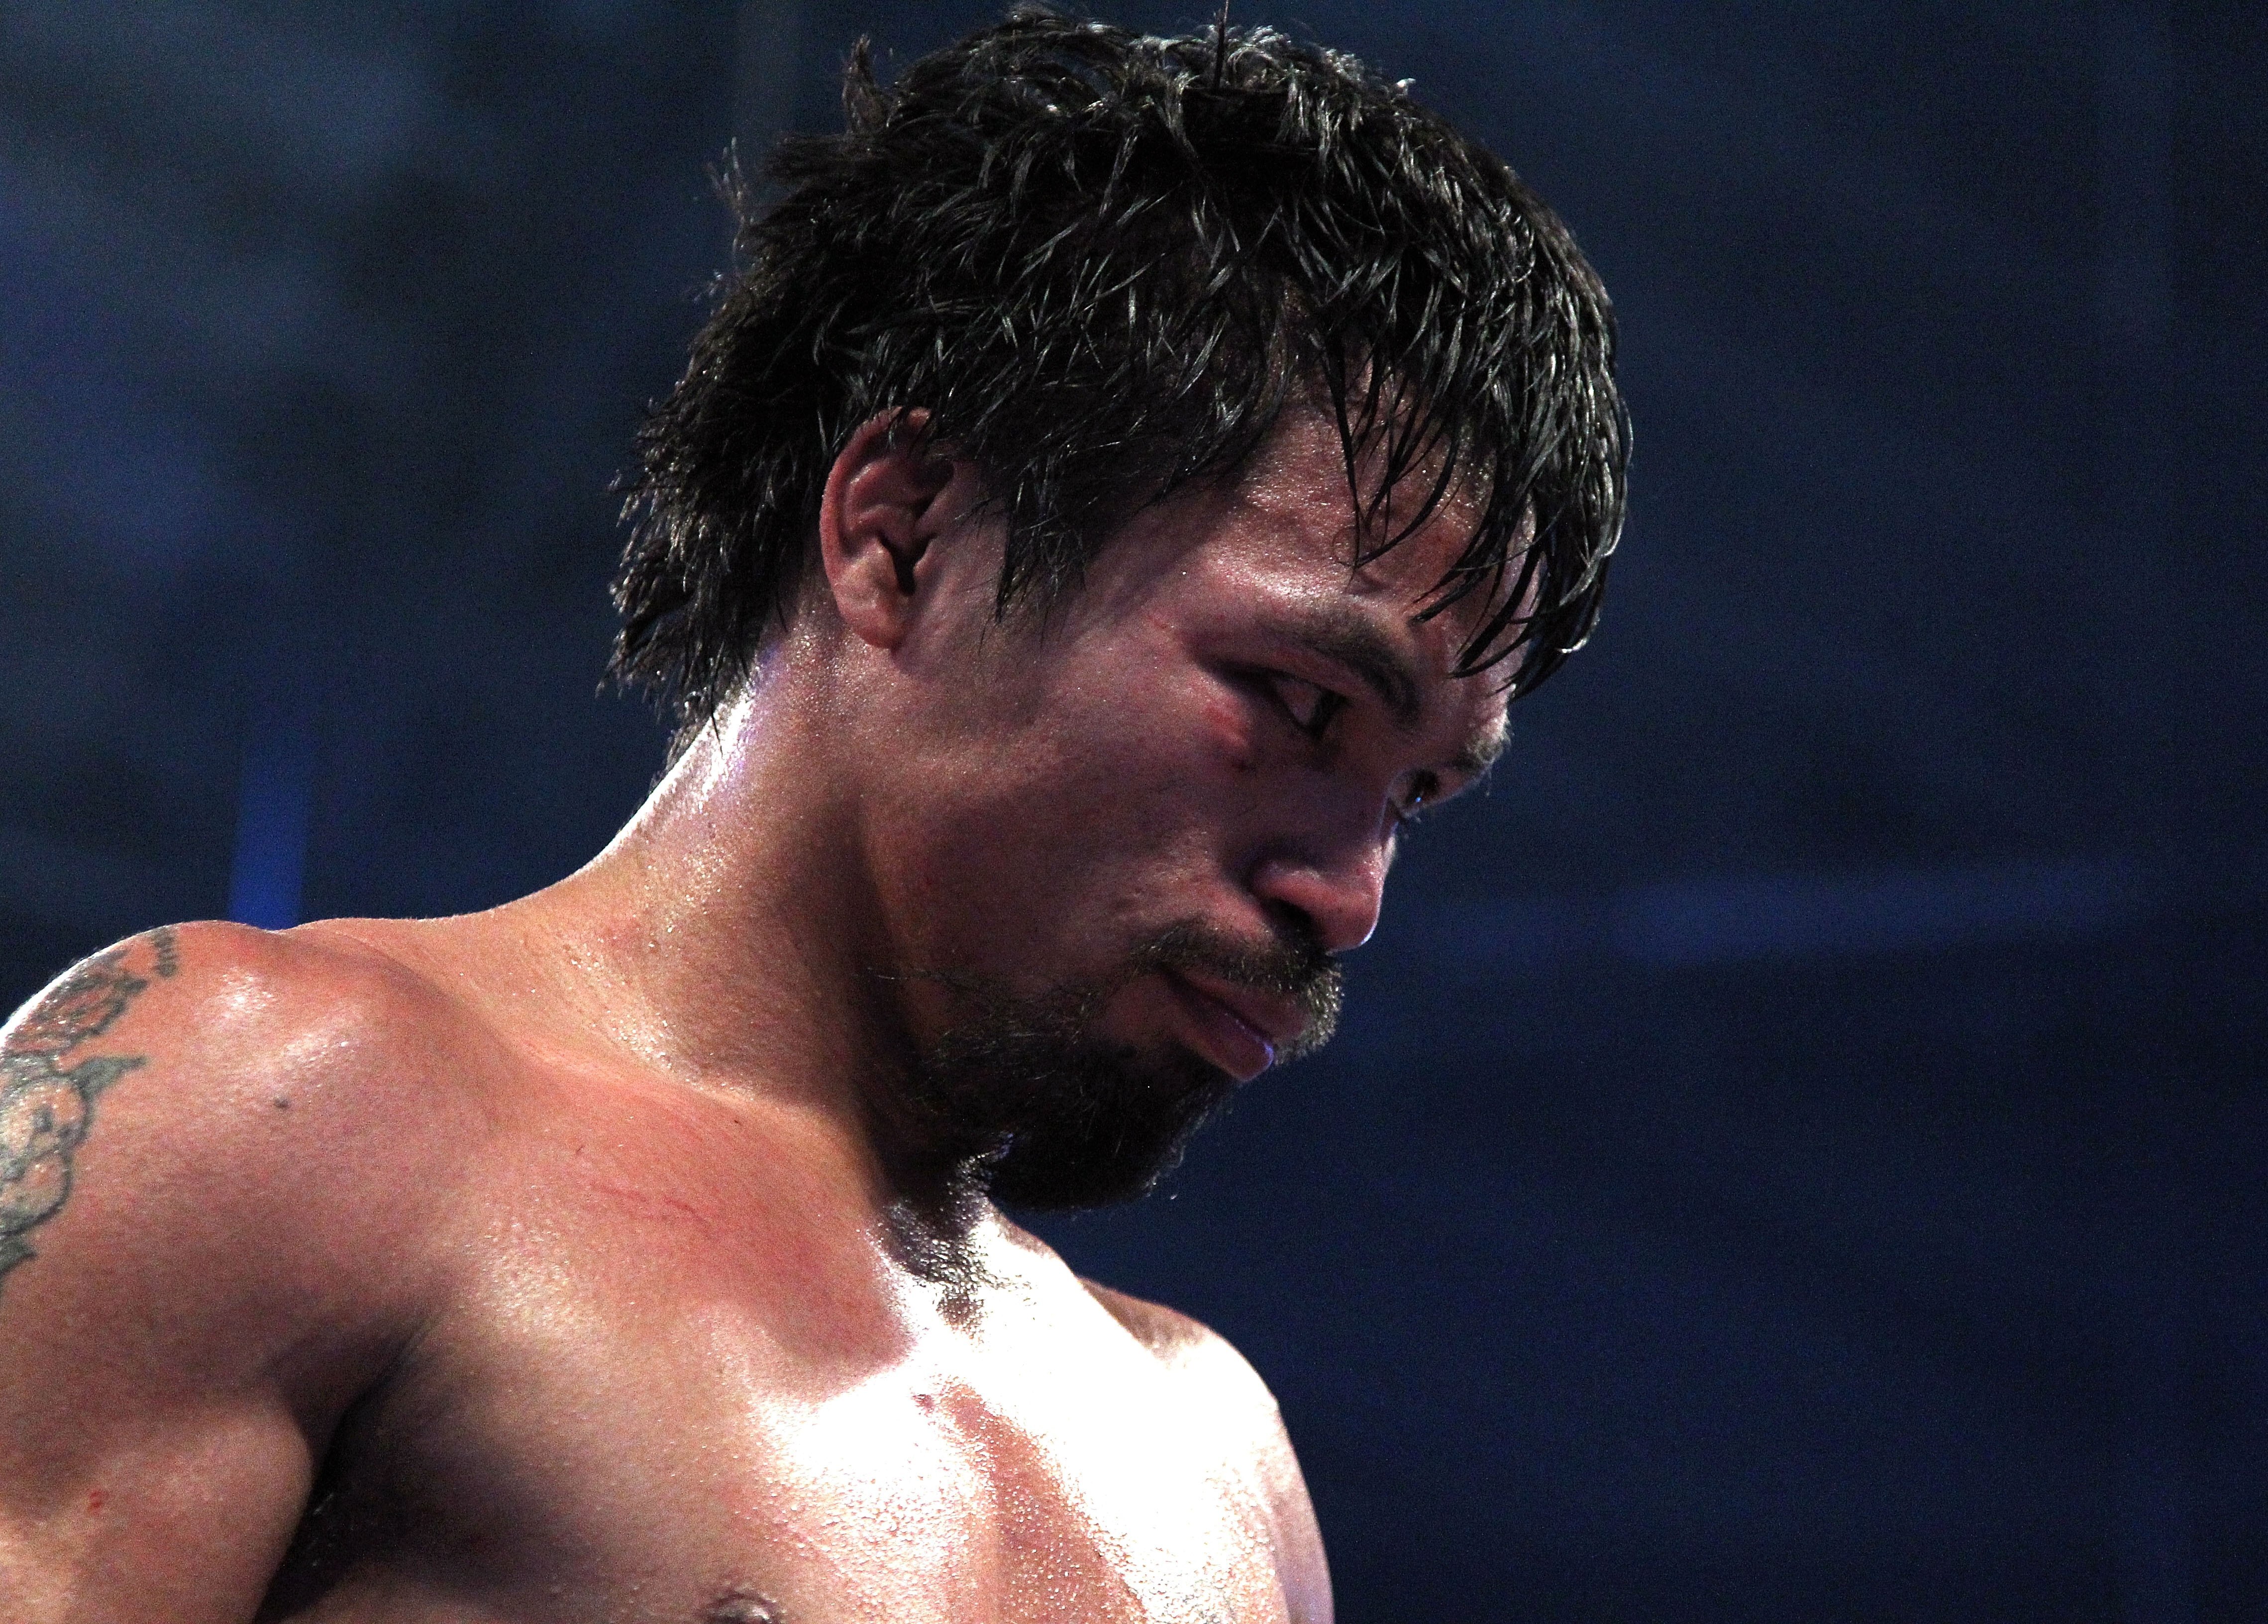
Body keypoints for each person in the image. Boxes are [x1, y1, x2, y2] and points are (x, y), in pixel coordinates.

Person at [0, 9, 1624, 1621]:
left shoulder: (1215, 1462)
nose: (1352, 898)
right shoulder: (270, 1109)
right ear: (903, 536)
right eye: (1304, 705)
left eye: (1416, 792)